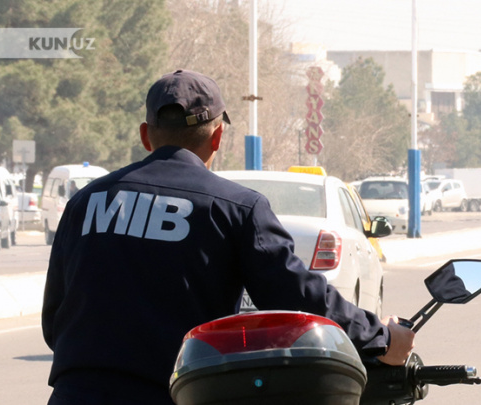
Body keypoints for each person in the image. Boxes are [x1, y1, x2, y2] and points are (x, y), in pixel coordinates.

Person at [42, 69, 415, 405]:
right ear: (218, 137)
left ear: (145, 135)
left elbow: (54, 319)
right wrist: (381, 338)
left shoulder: (84, 202)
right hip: (175, 394)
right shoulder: (235, 208)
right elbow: (296, 297)